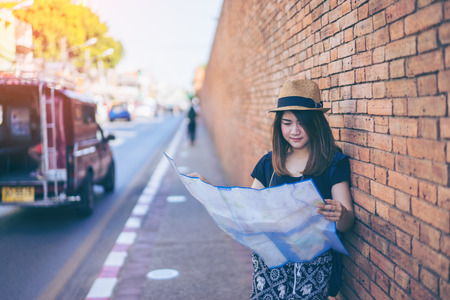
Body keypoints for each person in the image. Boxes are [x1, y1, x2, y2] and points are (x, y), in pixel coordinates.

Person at [191, 79, 354, 299]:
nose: (294, 130)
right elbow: (246, 208)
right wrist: (208, 189)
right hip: (270, 264)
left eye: (302, 123)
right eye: (287, 122)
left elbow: (347, 223)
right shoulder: (269, 163)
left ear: (316, 123)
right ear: (279, 125)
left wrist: (341, 214)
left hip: (312, 270)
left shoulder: (334, 163)